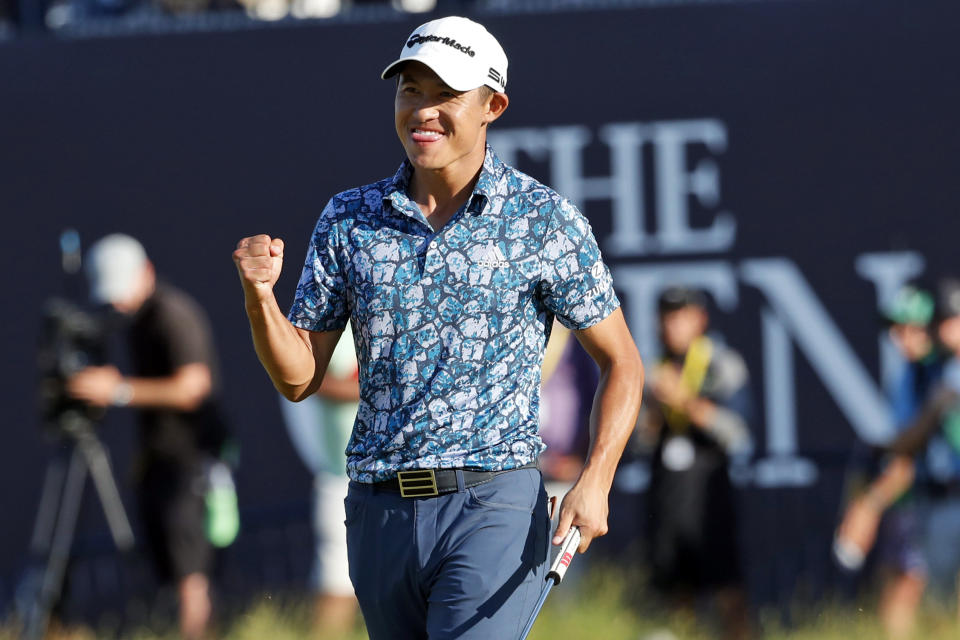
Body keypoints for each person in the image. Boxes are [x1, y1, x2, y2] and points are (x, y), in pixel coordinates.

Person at [232, 15, 644, 639]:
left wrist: (597, 478)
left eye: (445, 93)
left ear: (492, 106)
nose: (422, 110)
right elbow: (298, 378)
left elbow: (623, 362)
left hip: (494, 503)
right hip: (379, 512)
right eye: (410, 90)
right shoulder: (349, 219)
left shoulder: (543, 220)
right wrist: (259, 297)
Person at [67, 233, 233, 640]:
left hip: (189, 463)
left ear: (147, 273)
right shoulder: (137, 320)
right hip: (161, 463)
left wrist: (118, 390)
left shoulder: (172, 314)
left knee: (190, 573)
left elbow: (194, 386)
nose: (118, 303)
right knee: (172, 571)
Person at [641, 287, 753, 640]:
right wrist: (655, 412)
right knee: (674, 595)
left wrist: (684, 402)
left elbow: (737, 432)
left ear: (700, 319)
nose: (673, 325)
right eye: (667, 316)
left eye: (681, 316)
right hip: (667, 497)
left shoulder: (723, 365)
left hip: (709, 496)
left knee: (728, 595)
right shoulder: (652, 368)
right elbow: (640, 441)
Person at [834, 285, 941, 639]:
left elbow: (910, 454)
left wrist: (869, 505)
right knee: (895, 591)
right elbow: (900, 453)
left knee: (919, 595)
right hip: (920, 505)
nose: (900, 338)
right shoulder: (908, 377)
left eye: (909, 328)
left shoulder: (943, 375)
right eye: (896, 330)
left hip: (942, 505)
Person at [279, 322, 360, 637]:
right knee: (335, 580)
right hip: (340, 479)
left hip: (392, 476)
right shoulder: (326, 315)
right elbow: (308, 378)